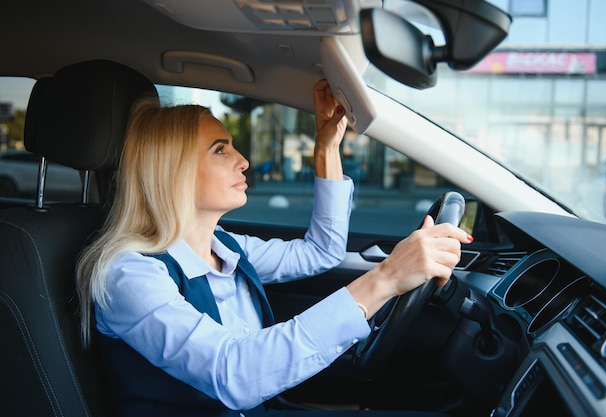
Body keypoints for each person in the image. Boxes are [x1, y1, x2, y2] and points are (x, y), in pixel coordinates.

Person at [76, 79, 472, 417]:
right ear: (172, 170)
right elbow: (233, 372)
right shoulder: (129, 274)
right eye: (221, 150)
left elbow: (321, 252)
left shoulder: (227, 248)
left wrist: (326, 149)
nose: (244, 161)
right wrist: (386, 278)